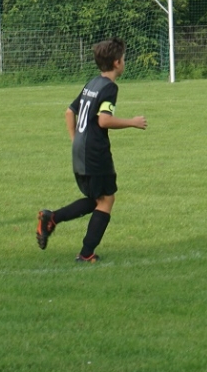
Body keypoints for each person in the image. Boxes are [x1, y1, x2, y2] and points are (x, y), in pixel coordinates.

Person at [35, 38, 148, 262]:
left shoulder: (92, 83)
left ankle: (51, 218)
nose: (124, 62)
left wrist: (75, 139)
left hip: (81, 150)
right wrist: (132, 122)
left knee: (98, 198)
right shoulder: (109, 87)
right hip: (95, 153)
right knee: (106, 200)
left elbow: (70, 111)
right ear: (116, 63)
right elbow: (104, 120)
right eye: (123, 58)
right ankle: (86, 253)